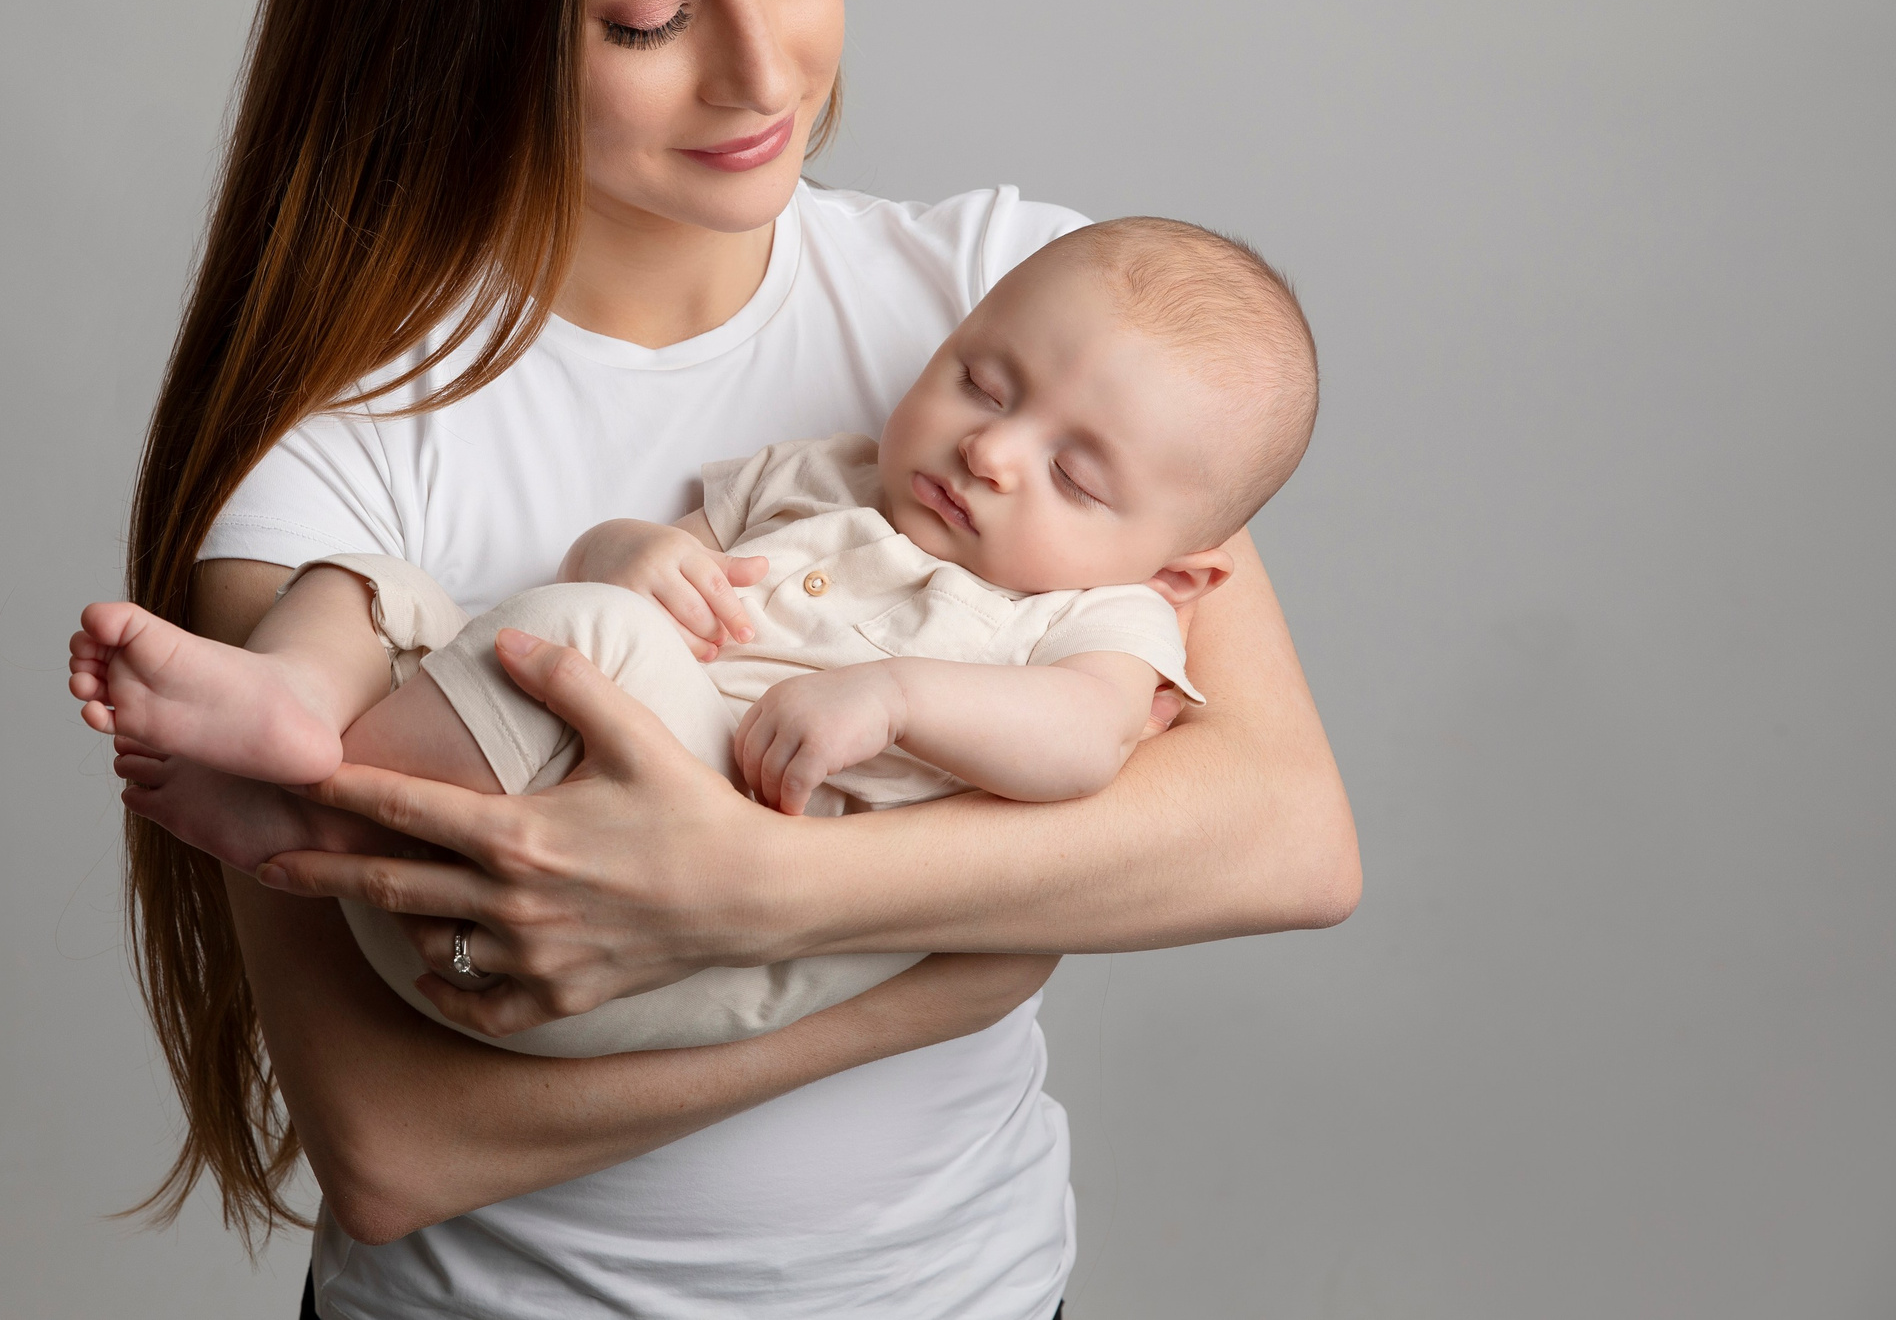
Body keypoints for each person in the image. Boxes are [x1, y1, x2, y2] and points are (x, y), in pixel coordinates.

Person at [104, 0, 1359, 1317]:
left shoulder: (1025, 317)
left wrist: (752, 893)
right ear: (467, 10)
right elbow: (397, 1143)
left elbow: (1282, 831)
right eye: (647, 14)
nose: (764, 71)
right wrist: (947, 965)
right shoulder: (341, 459)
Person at [73, 217, 1321, 1064]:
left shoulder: (1102, 614)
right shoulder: (824, 474)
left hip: (648, 940)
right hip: (510, 810)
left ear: (1180, 567)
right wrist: (628, 548)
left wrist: (894, 699)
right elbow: (638, 551)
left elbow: (1077, 742)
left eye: (1075, 471)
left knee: (590, 638)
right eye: (982, 382)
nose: (990, 450)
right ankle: (296, 706)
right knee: (383, 584)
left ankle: (321, 812)